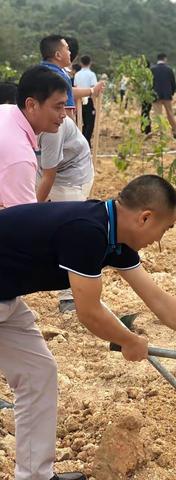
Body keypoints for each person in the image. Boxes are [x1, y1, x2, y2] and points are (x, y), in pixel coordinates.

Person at [0, 175, 176, 480]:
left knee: (38, 373)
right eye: (165, 229)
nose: (159, 240)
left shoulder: (113, 237)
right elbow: (89, 312)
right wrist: (130, 340)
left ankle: (35, 476)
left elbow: (157, 299)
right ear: (145, 218)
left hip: (5, 297)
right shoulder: (88, 231)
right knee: (36, 373)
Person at [36, 114, 95, 313]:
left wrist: (29, 211)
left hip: (71, 176)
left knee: (70, 233)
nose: (63, 113)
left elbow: (49, 176)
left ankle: (69, 296)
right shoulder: (15, 124)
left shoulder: (52, 126)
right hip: (44, 171)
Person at [0, 66, 68, 209]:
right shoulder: (20, 157)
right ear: (31, 105)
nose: (64, 114)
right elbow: (22, 221)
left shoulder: (5, 111)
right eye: (58, 107)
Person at [39, 35, 103, 120]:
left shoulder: (41, 71)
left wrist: (92, 91)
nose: (70, 53)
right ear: (58, 55)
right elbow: (66, 111)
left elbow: (68, 90)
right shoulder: (59, 77)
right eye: (67, 49)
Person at [151, 53, 176, 138]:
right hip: (167, 95)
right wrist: (171, 93)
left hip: (156, 96)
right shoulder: (169, 69)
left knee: (158, 115)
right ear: (165, 59)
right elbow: (173, 83)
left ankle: (161, 133)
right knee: (170, 113)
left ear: (157, 59)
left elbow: (150, 83)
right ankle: (174, 131)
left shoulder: (152, 69)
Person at [74, 55, 98, 146]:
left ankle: (81, 140)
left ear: (81, 63)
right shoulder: (92, 75)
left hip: (79, 100)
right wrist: (95, 104)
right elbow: (94, 90)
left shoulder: (77, 74)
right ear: (90, 63)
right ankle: (86, 141)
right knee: (89, 123)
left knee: (80, 121)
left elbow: (76, 88)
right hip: (88, 100)